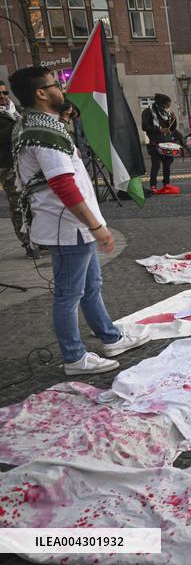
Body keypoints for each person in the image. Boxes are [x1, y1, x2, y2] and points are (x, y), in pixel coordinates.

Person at [10, 66, 147, 375]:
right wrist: (96, 226)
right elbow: (62, 184)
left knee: (90, 286)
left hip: (72, 224)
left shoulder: (42, 124)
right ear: (41, 93)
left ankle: (110, 337)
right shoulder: (43, 133)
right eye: (56, 84)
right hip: (68, 225)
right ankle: (74, 357)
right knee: (69, 294)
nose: (63, 88)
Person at [0, 79, 39, 259]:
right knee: (17, 205)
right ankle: (27, 243)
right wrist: (19, 123)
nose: (3, 97)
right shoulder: (16, 117)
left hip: (27, 162)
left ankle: (40, 238)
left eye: (5, 93)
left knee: (35, 201)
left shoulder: (17, 110)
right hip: (8, 166)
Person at [140, 93, 180, 192]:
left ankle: (166, 184)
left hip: (166, 142)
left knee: (167, 164)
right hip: (155, 142)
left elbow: (172, 128)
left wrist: (174, 119)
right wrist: (159, 130)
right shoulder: (148, 111)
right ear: (161, 104)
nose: (168, 107)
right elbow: (144, 126)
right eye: (167, 105)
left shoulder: (166, 114)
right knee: (156, 164)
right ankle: (153, 185)